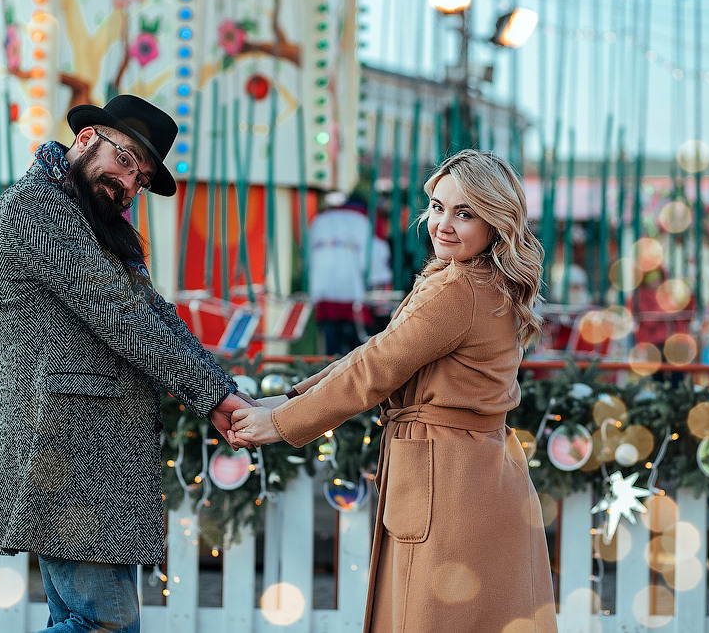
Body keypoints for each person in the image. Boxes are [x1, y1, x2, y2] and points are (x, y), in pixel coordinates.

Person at [231, 150, 557, 632]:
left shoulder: (458, 289)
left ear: (495, 221)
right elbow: (378, 354)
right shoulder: (487, 281)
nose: (443, 224)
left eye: (465, 213)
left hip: (448, 482)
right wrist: (292, 398)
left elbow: (375, 369)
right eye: (439, 207)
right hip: (479, 475)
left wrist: (280, 422)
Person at [0, 95, 254, 633]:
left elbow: (154, 314)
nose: (130, 185)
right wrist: (216, 396)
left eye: (142, 179)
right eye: (126, 161)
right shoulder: (33, 209)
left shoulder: (88, 219)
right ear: (85, 139)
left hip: (89, 454)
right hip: (65, 451)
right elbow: (122, 315)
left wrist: (220, 391)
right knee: (107, 624)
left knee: (89, 619)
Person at [307, 192, 393, 355]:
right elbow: (378, 259)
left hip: (323, 295)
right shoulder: (368, 219)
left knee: (329, 357)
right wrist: (382, 300)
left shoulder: (320, 219)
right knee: (359, 358)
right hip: (356, 297)